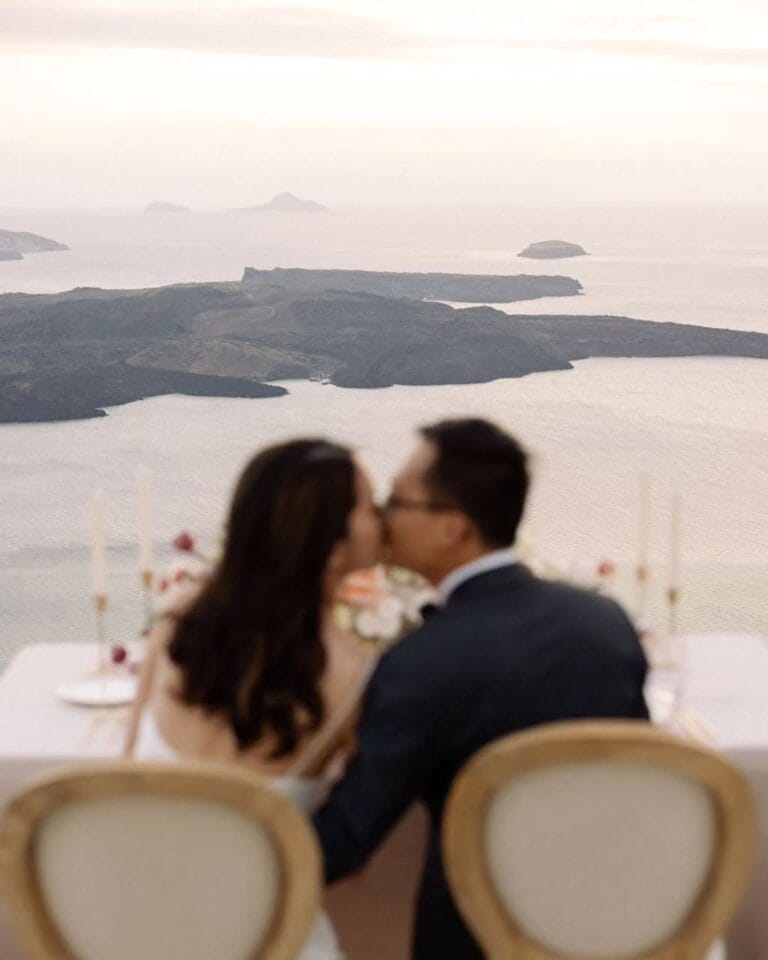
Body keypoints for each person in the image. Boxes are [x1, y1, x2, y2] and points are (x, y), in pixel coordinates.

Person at [314, 418, 649, 960]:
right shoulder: (605, 622)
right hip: (616, 930)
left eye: (397, 501)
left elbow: (347, 842)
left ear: (453, 528)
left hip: (477, 938)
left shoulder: (419, 663)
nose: (384, 517)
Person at [125, 438, 383, 960]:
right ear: (333, 548)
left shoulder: (179, 619)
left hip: (144, 934)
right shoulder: (355, 675)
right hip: (270, 941)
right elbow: (350, 860)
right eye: (370, 508)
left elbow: (125, 768)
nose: (385, 518)